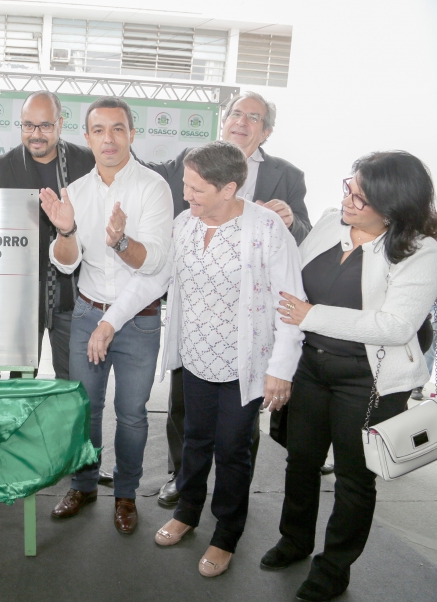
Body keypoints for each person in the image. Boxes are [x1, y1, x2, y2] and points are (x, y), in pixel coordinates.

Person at [263, 151, 437, 602]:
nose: (348, 200)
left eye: (361, 196)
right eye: (349, 187)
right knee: (300, 460)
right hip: (311, 367)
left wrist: (311, 315)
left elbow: (395, 326)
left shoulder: (422, 251)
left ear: (393, 207)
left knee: (354, 479)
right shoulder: (329, 222)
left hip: (369, 381)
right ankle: (294, 541)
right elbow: (291, 284)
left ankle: (333, 568)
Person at [142, 91, 314, 507]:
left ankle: (231, 498)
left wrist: (290, 220)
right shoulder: (192, 163)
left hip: (248, 330)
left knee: (237, 433)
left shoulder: (286, 177)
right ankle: (182, 479)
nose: (241, 121)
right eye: (235, 113)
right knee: (186, 415)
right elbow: (157, 194)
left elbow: (303, 236)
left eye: (253, 117)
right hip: (197, 326)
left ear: (266, 131)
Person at [149, 141, 305, 577]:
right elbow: (160, 278)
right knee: (194, 440)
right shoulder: (185, 223)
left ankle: (226, 533)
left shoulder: (267, 228)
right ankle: (187, 511)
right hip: (196, 359)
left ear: (229, 188)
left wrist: (280, 369)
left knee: (233, 450)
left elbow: (291, 304)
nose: (186, 195)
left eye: (196, 189)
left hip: (244, 366)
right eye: (185, 185)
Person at [40, 96, 172, 534]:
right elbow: (66, 264)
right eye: (99, 130)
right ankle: (83, 485)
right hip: (86, 314)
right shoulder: (76, 191)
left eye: (118, 128)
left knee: (132, 413)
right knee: (86, 409)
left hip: (139, 320)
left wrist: (120, 243)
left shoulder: (153, 187)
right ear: (87, 137)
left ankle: (126, 494)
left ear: (132, 134)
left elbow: (154, 264)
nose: (109, 138)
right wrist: (66, 230)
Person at [0, 91, 95, 382]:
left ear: (60, 123)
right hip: (20, 296)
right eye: (28, 125)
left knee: (73, 380)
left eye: (45, 125)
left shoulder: (88, 163)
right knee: (19, 382)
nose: (36, 134)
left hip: (74, 291)